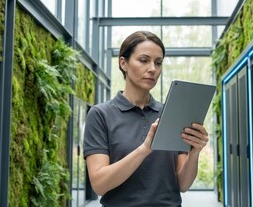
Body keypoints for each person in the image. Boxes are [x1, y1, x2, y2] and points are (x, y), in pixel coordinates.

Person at [83, 30, 209, 207]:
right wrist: (145, 149)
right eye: (143, 60)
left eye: (158, 63)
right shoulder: (100, 115)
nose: (152, 69)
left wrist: (194, 153)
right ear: (123, 63)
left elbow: (183, 184)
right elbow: (99, 185)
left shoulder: (171, 114)